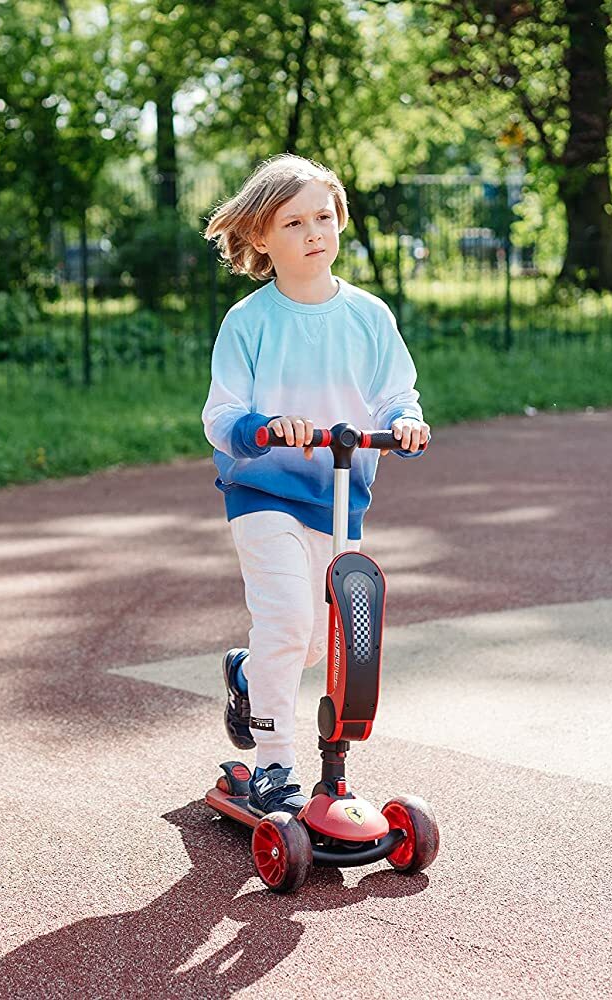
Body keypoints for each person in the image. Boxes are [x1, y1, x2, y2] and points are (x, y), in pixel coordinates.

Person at [201, 155, 431, 815]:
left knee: (312, 640)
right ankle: (275, 764)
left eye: (323, 216)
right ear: (261, 238)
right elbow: (220, 417)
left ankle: (246, 675)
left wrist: (405, 423)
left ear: (340, 223)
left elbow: (396, 395)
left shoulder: (368, 315)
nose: (313, 231)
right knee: (287, 618)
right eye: (293, 221)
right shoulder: (249, 322)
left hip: (340, 496)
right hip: (263, 492)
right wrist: (267, 427)